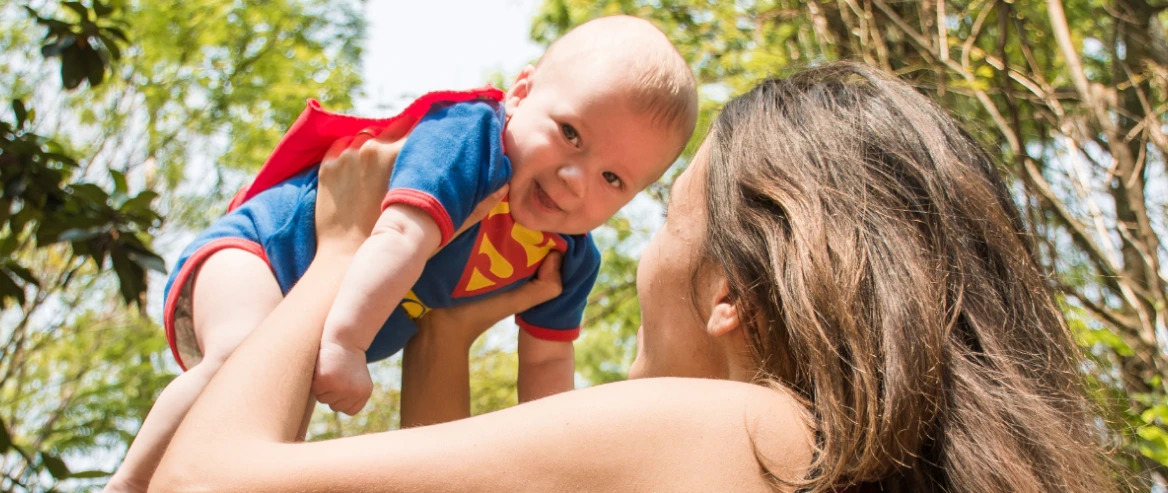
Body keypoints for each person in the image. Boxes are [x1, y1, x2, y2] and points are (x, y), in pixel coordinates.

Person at [147, 62, 1116, 492]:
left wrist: (343, 251)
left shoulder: (745, 428)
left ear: (729, 290)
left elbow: (210, 482)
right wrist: (443, 329)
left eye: (659, 212)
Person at [106, 15, 698, 493]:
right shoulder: (470, 141)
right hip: (261, 254)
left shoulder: (568, 260)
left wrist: (558, 465)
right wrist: (346, 345)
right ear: (520, 94)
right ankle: (131, 483)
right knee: (241, 357)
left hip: (313, 321)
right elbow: (398, 238)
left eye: (614, 179)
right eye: (570, 133)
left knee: (274, 433)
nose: (576, 178)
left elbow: (546, 366)